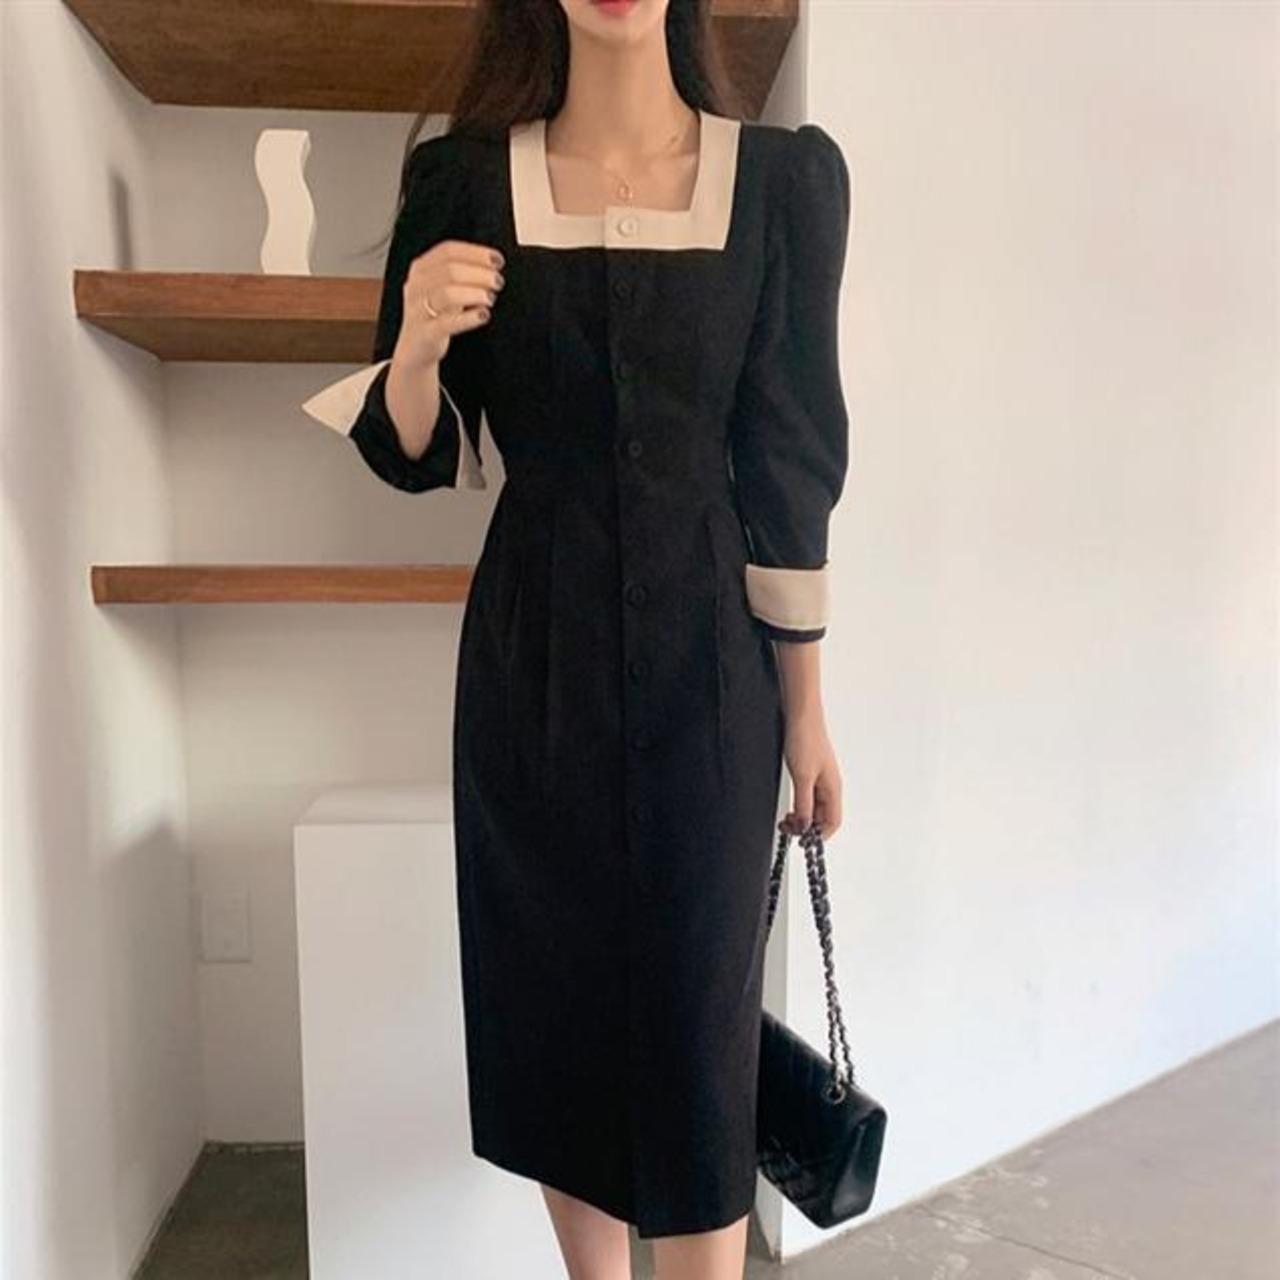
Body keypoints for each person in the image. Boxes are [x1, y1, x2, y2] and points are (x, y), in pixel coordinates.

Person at [301, 1, 851, 1275]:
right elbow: (413, 452)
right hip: (531, 656)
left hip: (712, 664)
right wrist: (416, 348)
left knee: (698, 1014)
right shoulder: (459, 182)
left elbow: (787, 461)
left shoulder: (780, 183)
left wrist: (806, 708)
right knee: (556, 1004)